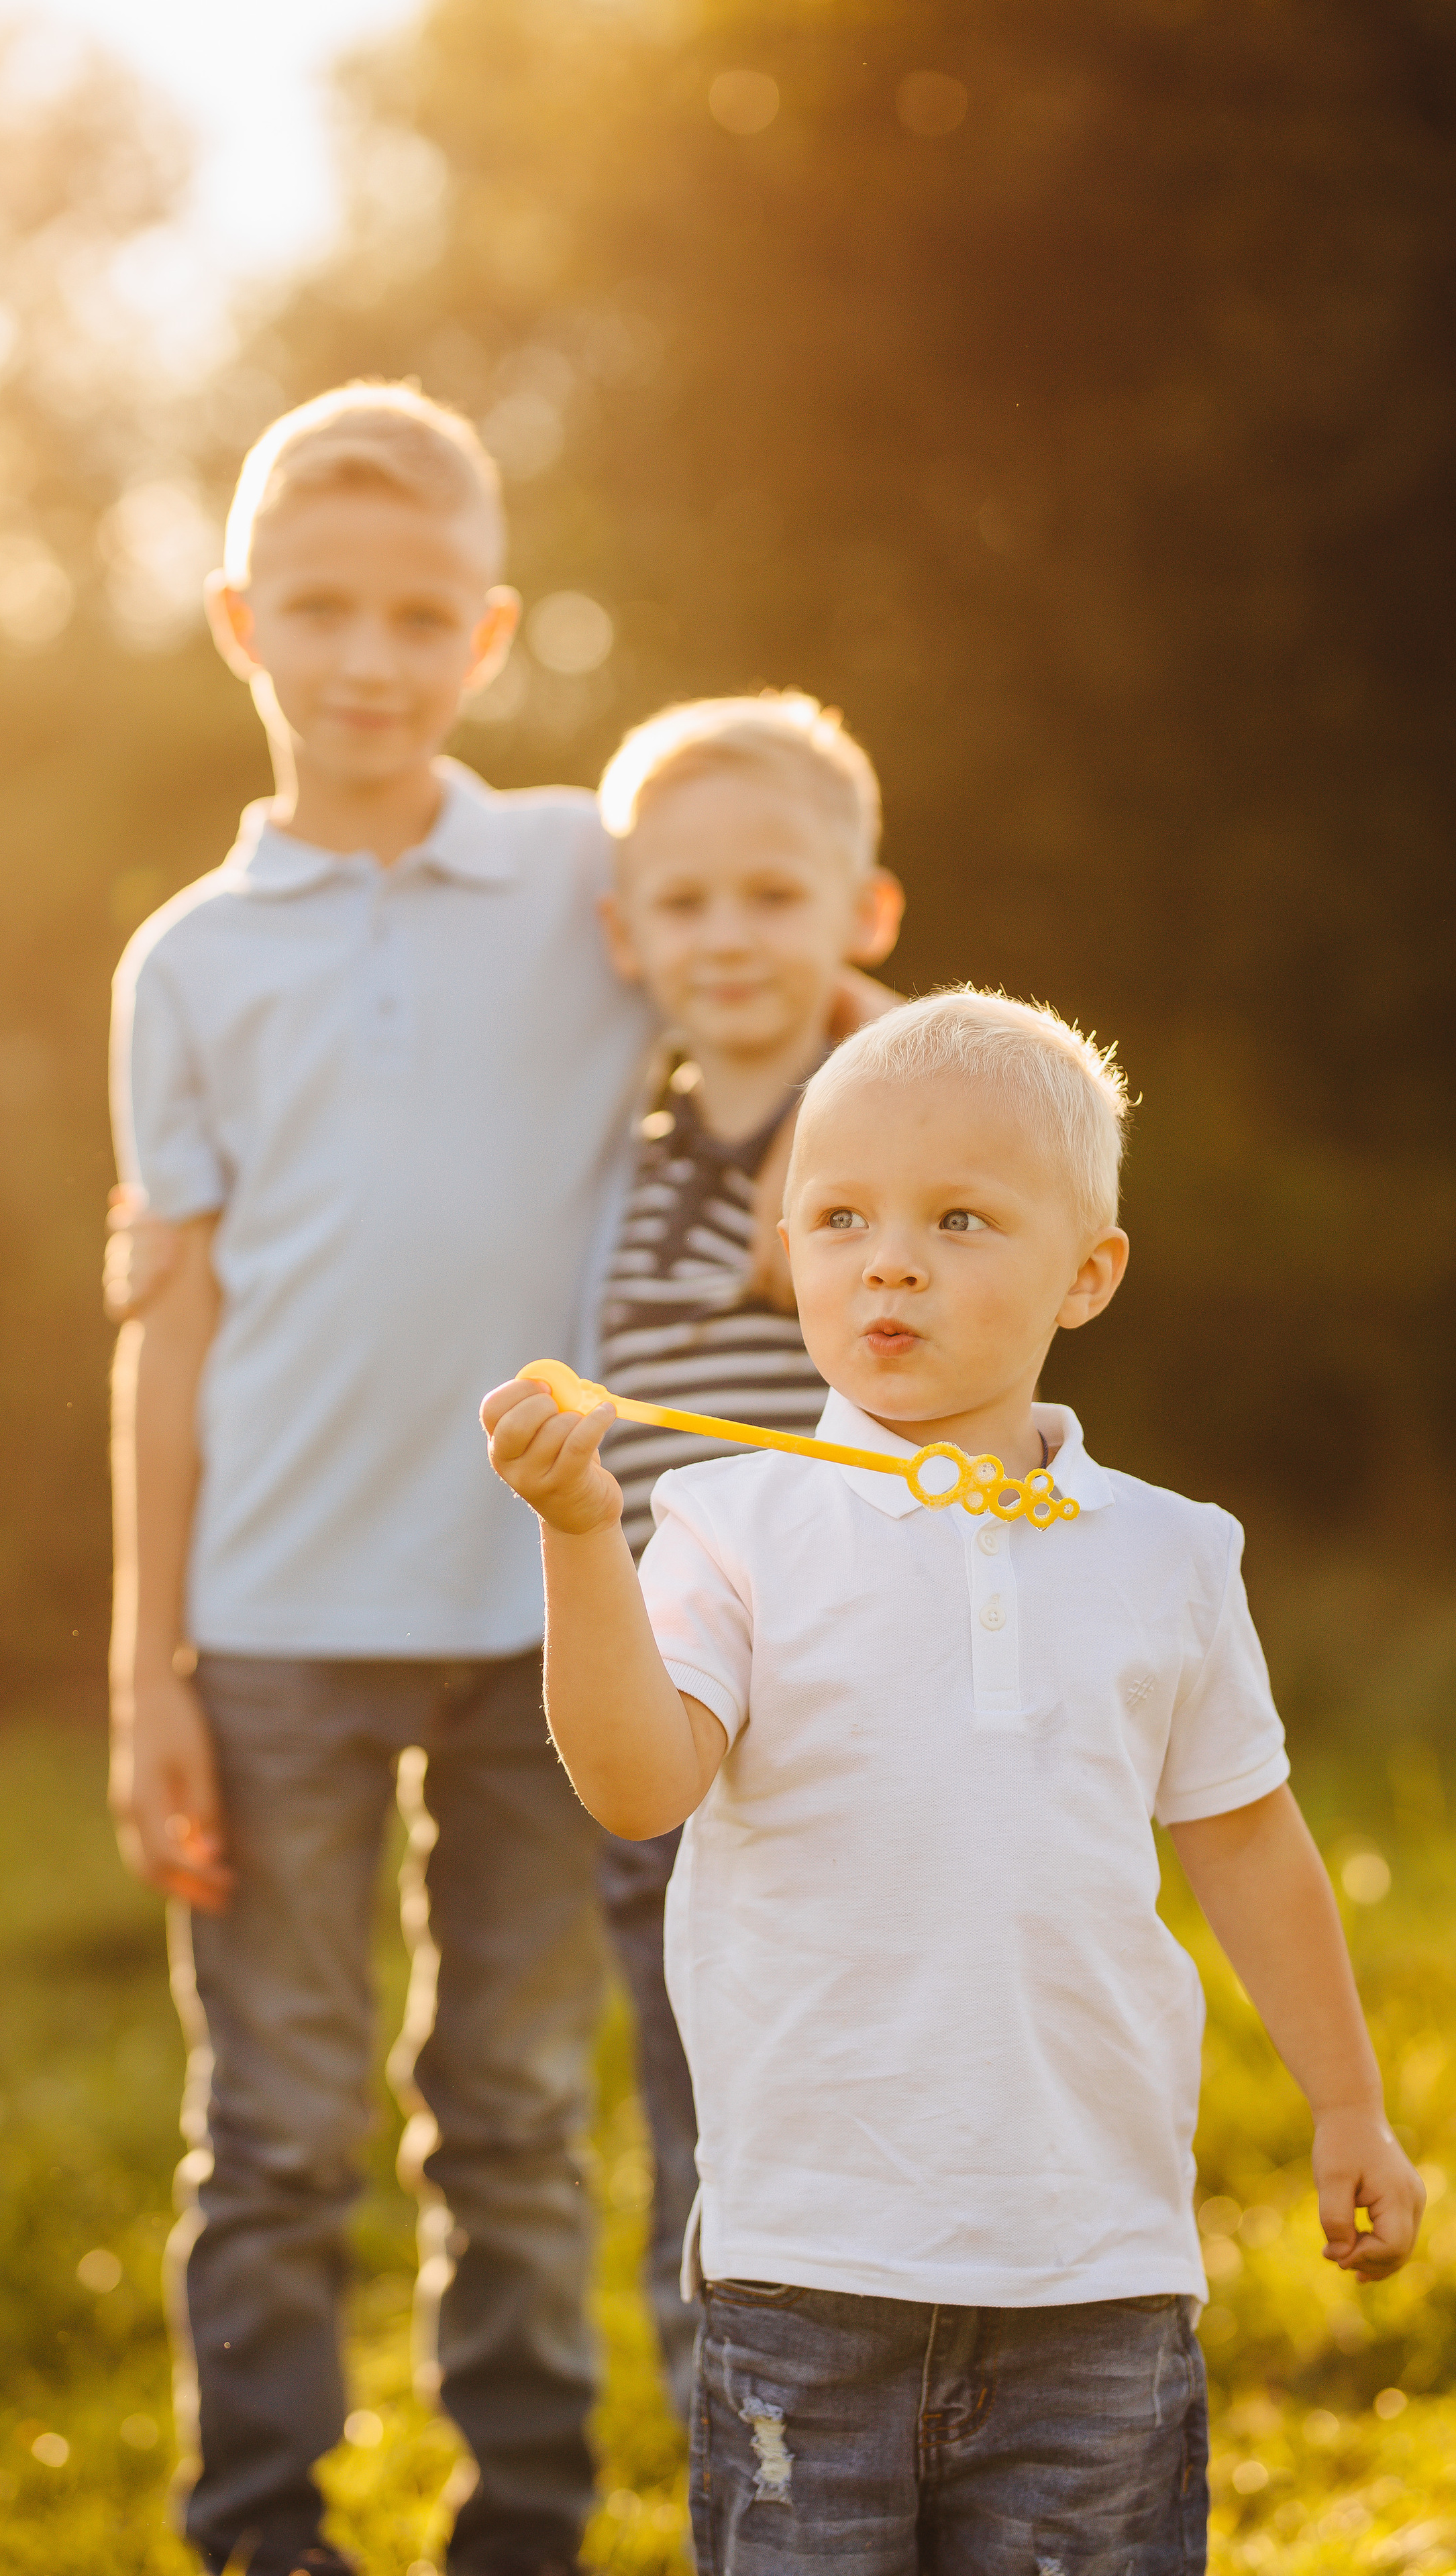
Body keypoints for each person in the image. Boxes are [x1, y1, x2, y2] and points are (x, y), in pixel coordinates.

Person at [481, 989, 1424, 2575]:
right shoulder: (728, 1524)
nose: (888, 1260)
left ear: (1088, 1273)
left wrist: (1348, 2106)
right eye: (838, 1219)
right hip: (806, 2270)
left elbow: (1250, 1844)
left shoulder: (1171, 1553)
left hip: (1094, 2272)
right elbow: (639, 1788)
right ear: (789, 1253)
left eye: (957, 1219)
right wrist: (583, 1541)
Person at [107, 380, 656, 2576]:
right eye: (319, 609)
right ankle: (260, 2532)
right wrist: (147, 1665)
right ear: (240, 620)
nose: (367, 658)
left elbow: (771, 962)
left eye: (421, 615)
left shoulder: (582, 876)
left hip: (553, 1623)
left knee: (516, 2117)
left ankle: (522, 2523)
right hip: (274, 1635)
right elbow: (164, 1331)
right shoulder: (188, 961)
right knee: (276, 2130)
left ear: (491, 637)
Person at [586, 692, 902, 2414]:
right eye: (684, 901)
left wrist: (877, 1039)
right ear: (623, 930)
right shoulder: (609, 1169)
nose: (726, 938)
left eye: (774, 897)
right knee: (698, 2119)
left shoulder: (889, 1146)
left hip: (871, 1722)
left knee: (896, 2102)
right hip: (677, 1734)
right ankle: (746, 2473)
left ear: (860, 918)